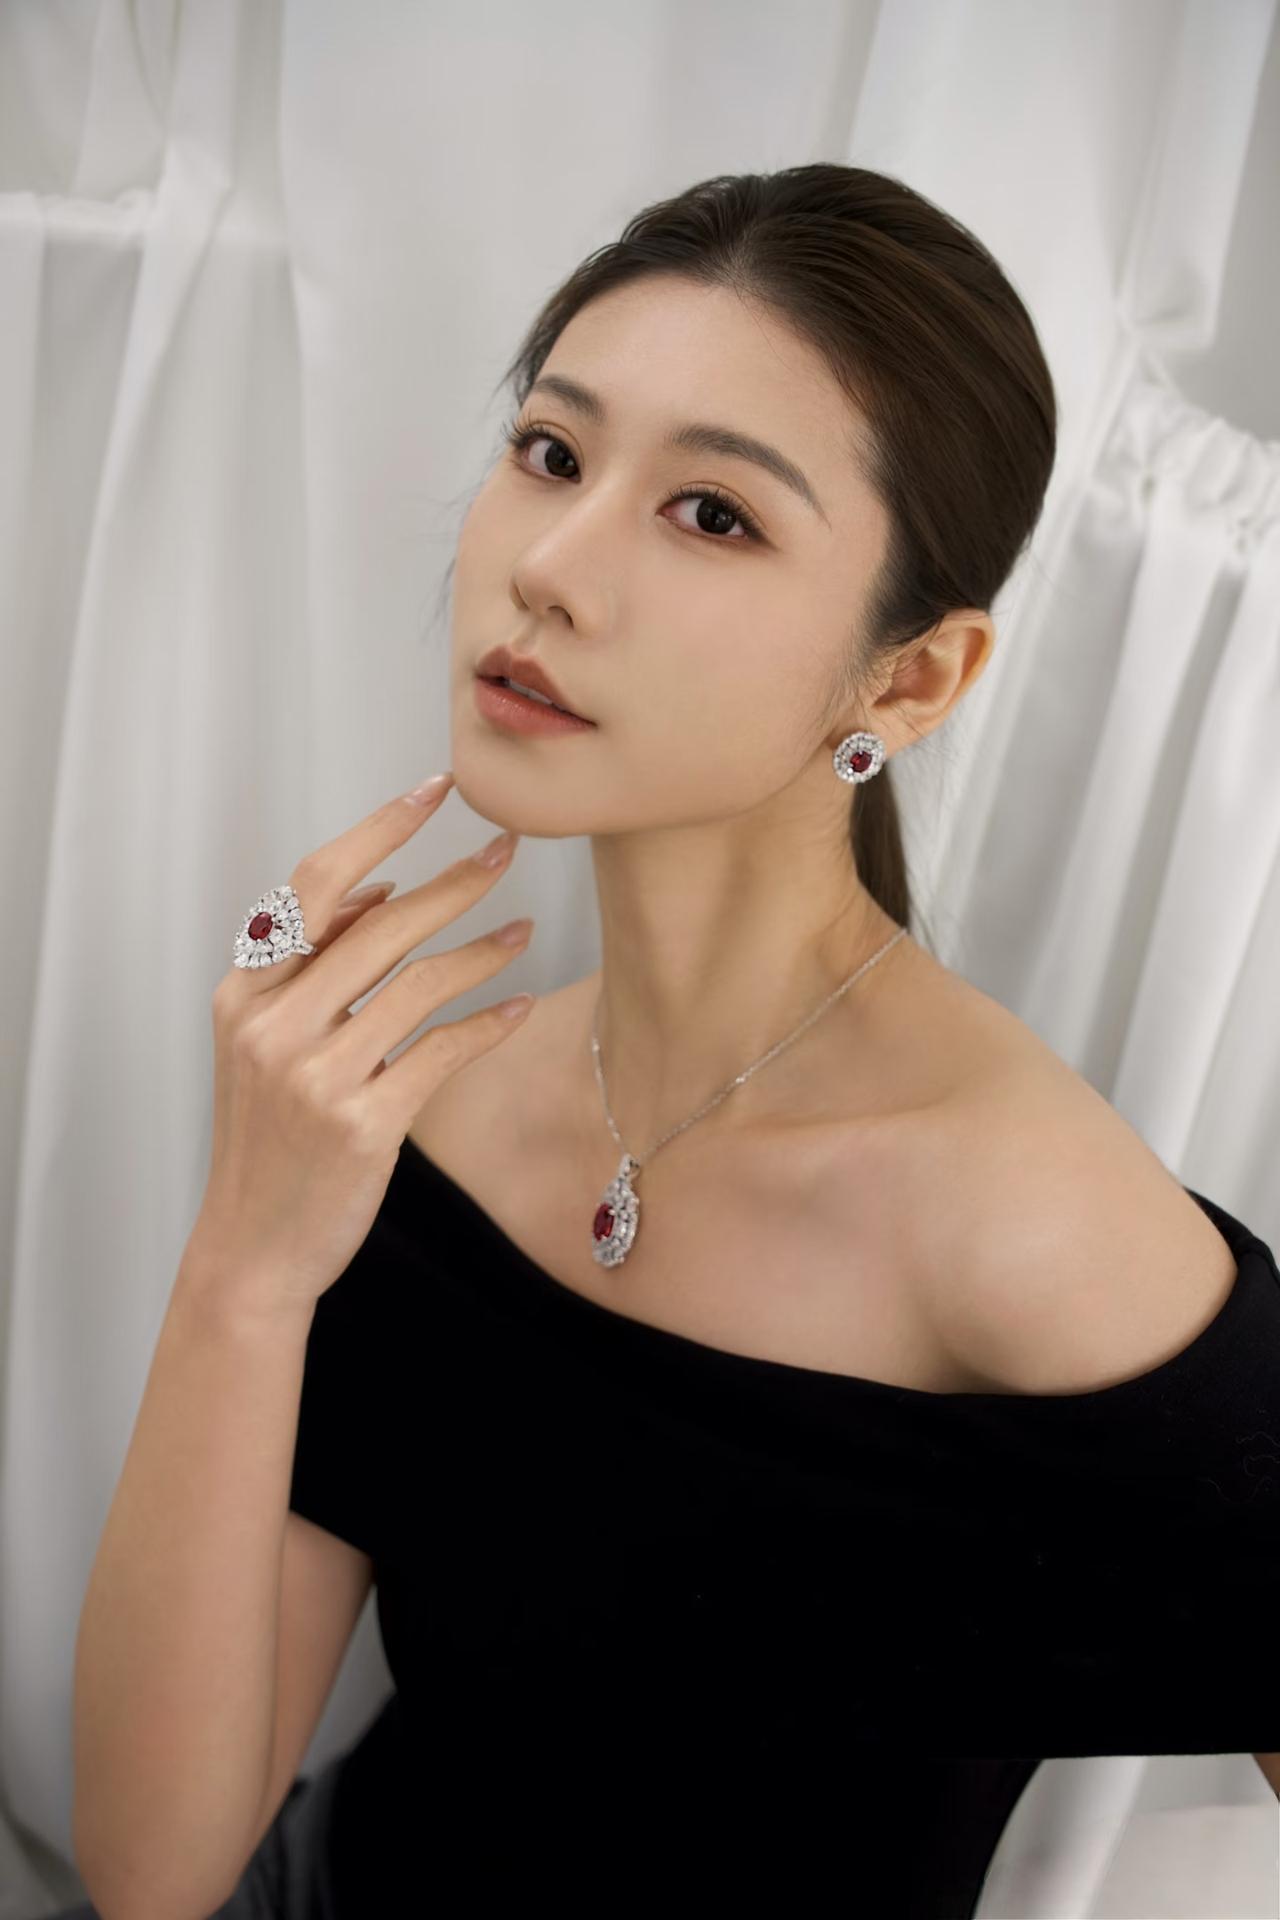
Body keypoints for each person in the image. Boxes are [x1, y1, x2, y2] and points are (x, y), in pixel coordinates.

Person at [62, 163, 1280, 1920]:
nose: (547, 569)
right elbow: (154, 1873)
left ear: (913, 680)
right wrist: (246, 1264)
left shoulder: (1030, 1222)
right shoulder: (436, 1105)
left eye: (713, 513)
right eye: (552, 452)